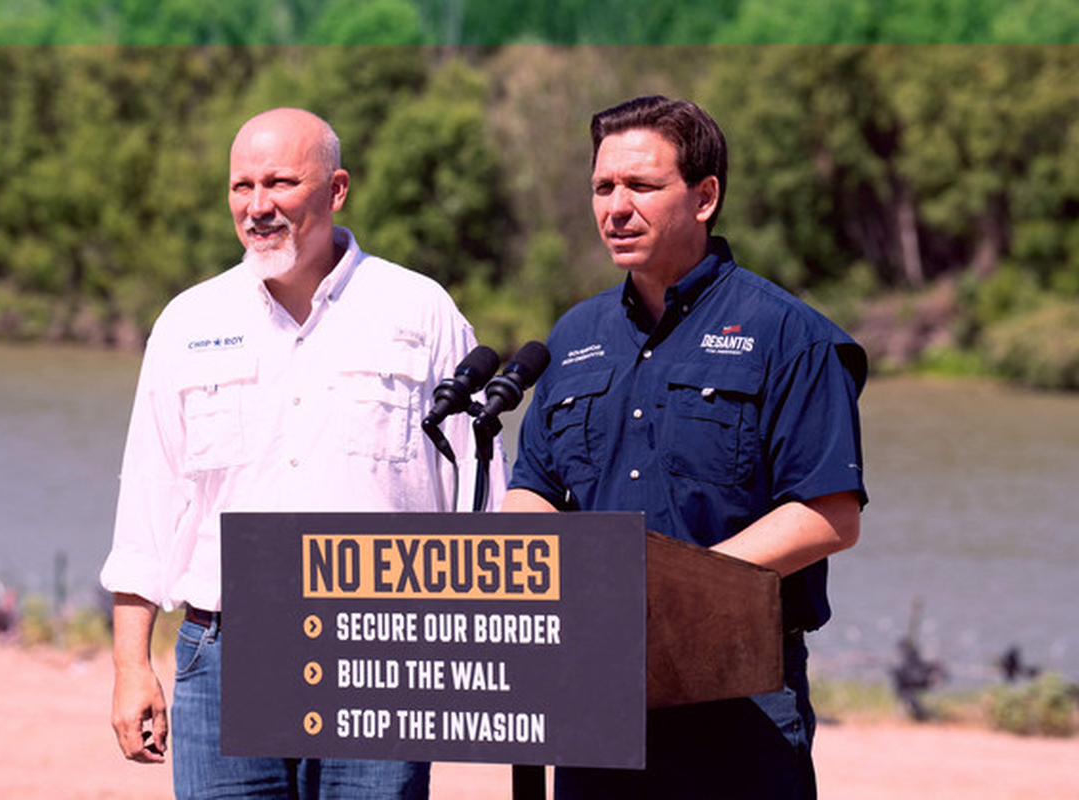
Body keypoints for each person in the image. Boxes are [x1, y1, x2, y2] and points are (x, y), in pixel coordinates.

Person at [100, 107, 504, 799]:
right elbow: (149, 501)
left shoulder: (421, 312)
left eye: (281, 183)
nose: (258, 207)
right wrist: (131, 664)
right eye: (241, 186)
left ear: (337, 188)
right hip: (224, 654)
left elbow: (477, 494)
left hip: (381, 652)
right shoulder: (188, 323)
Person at [502, 95, 868, 798]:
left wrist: (670, 595)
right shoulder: (573, 337)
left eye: (641, 186)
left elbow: (829, 515)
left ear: (704, 197)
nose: (615, 207)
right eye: (603, 187)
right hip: (596, 689)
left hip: (740, 699)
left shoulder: (788, 335)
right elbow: (535, 488)